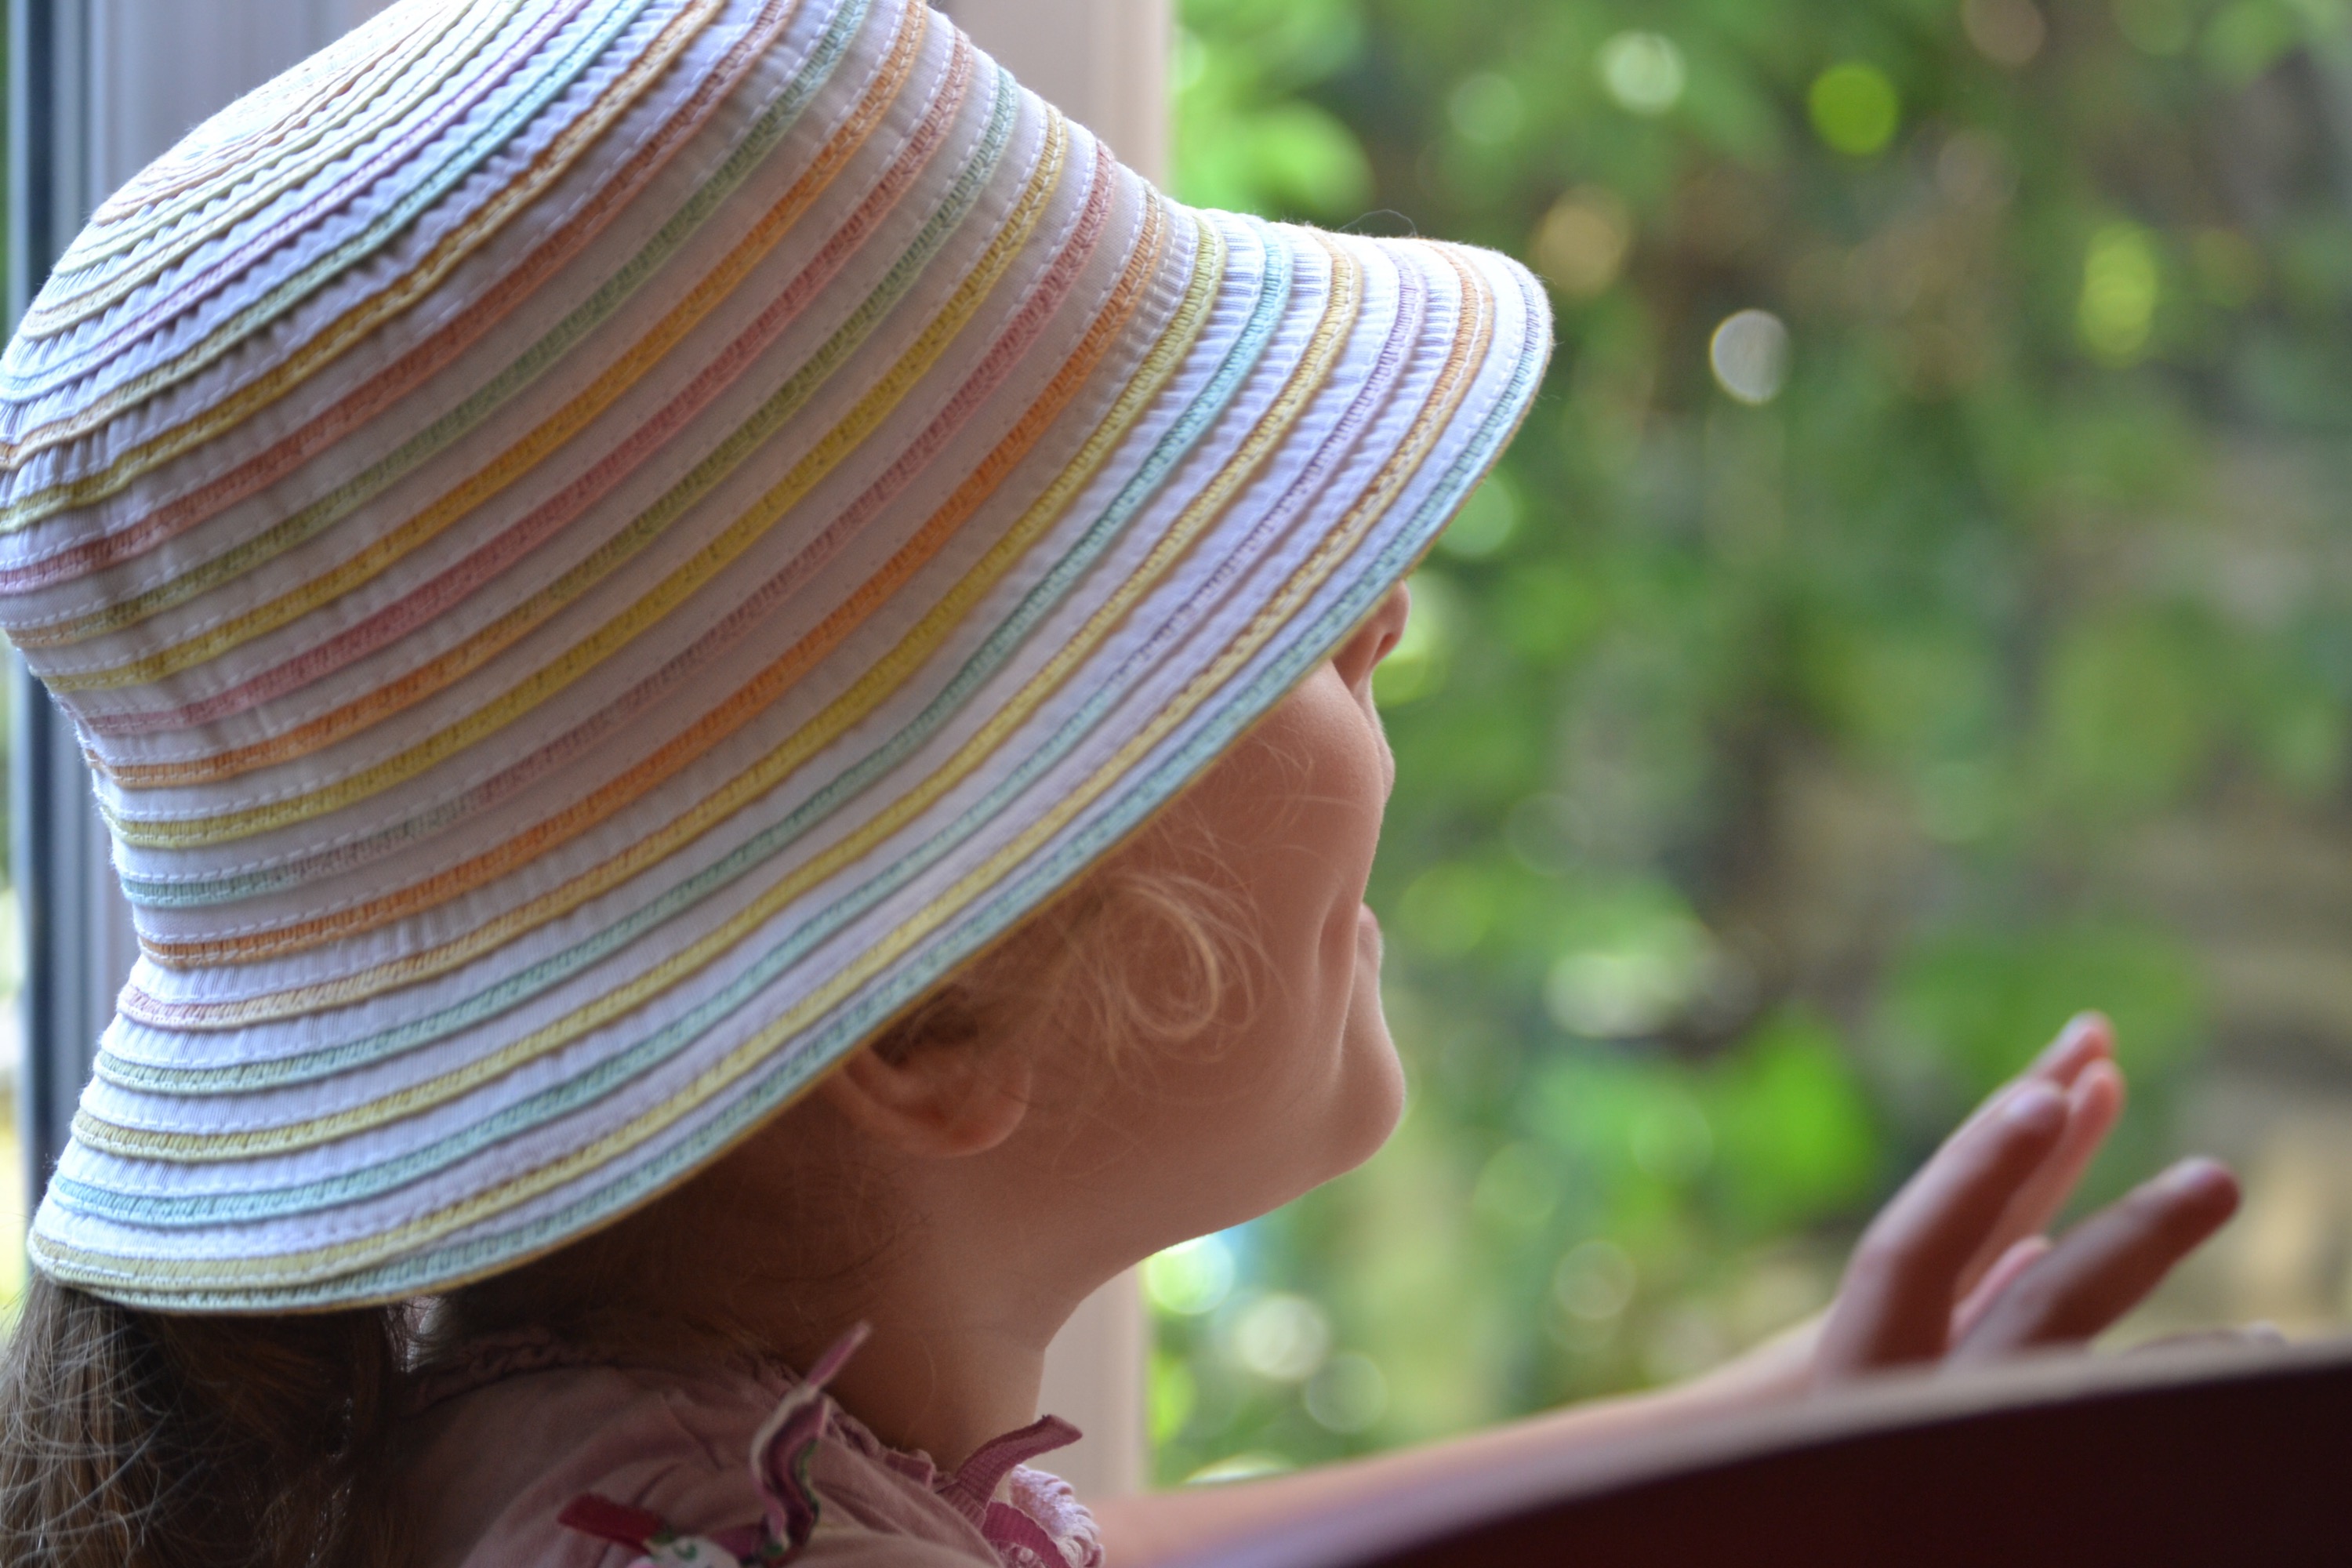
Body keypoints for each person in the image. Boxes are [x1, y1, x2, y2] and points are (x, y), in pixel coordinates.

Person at [0, 2, 2243, 1564]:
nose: (1377, 618)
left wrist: (1777, 1430)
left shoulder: (616, 1459)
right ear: (921, 1011)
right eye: (1251, 620)